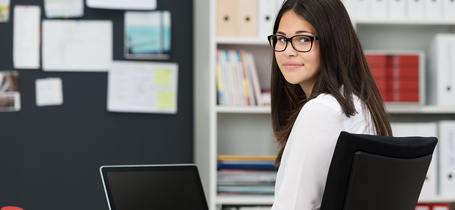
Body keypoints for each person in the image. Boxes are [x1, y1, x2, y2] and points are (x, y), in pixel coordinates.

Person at [267, 0, 393, 209]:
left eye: (303, 39)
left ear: (332, 43)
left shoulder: (321, 111)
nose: (288, 51)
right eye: (281, 39)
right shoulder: (358, 104)